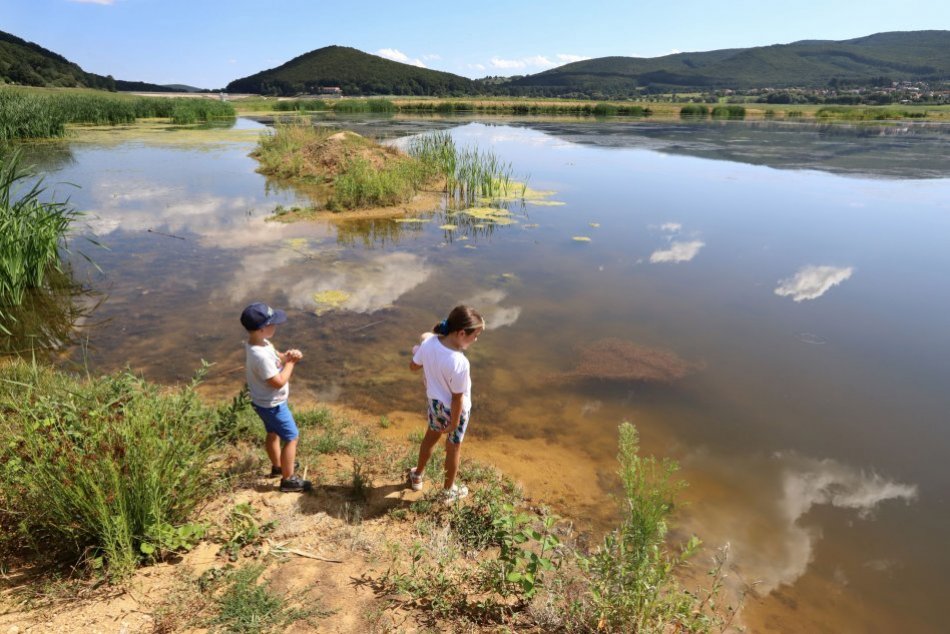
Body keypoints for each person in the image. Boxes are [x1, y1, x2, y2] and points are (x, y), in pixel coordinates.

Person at [408, 305, 485, 504]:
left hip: (435, 405)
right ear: (461, 333)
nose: (475, 340)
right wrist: (454, 422)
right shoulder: (460, 362)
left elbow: (413, 367)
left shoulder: (429, 343)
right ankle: (447, 492)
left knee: (430, 439)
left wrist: (418, 350)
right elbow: (457, 398)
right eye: (475, 335)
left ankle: (417, 476)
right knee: (453, 449)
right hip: (456, 411)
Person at [241, 302, 311, 493]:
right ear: (263, 328)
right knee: (292, 437)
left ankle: (278, 467)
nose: (276, 326)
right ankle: (288, 480)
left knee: (272, 434)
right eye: (273, 323)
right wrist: (292, 363)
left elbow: (276, 357)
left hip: (262, 403)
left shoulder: (259, 343)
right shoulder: (259, 356)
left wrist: (285, 356)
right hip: (273, 405)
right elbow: (278, 381)